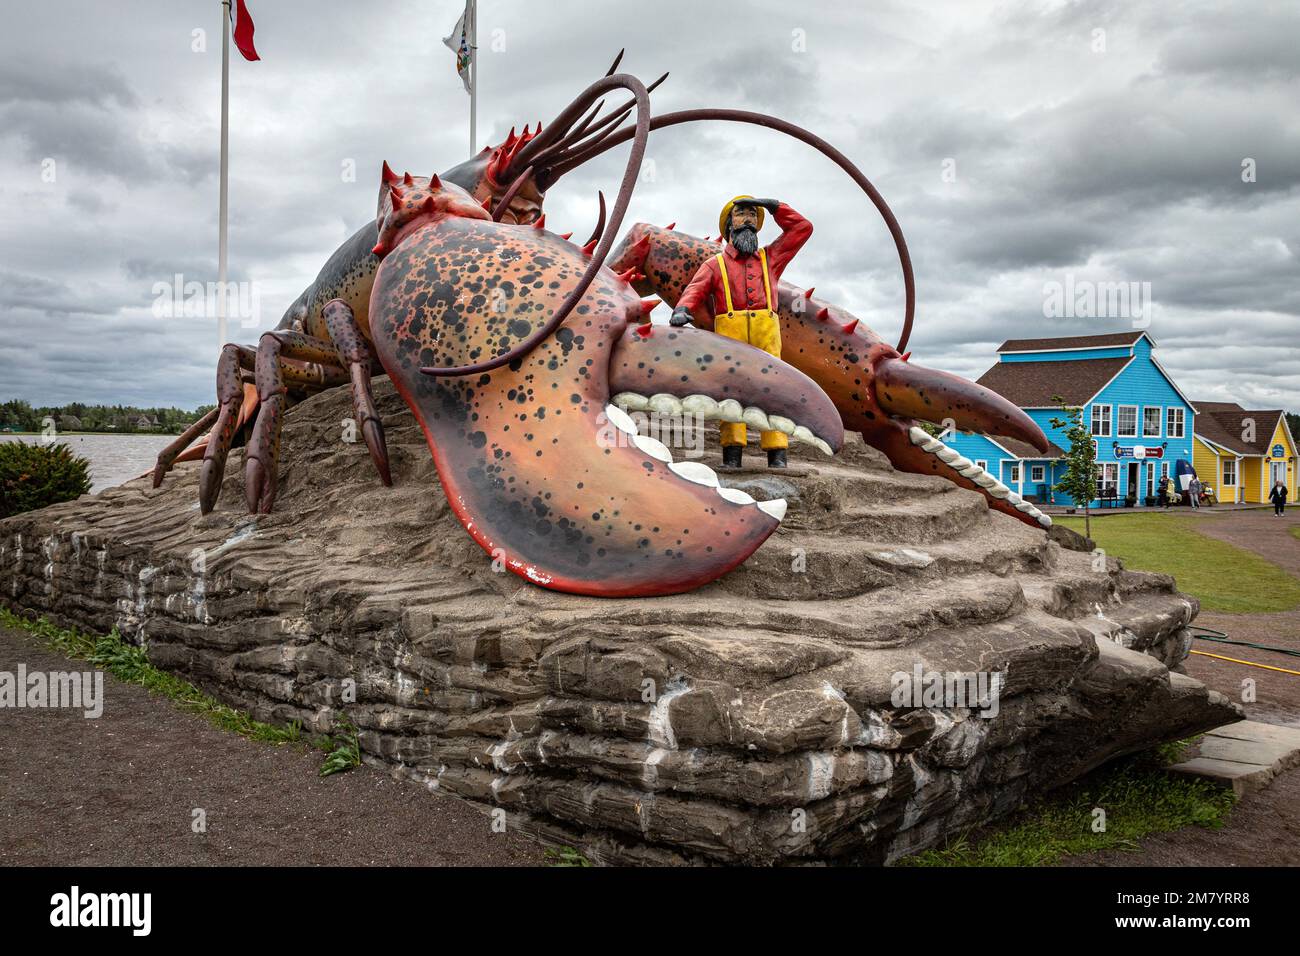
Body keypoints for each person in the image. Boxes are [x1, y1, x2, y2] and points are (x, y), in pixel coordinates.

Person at [671, 195, 813, 469]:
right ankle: (732, 454)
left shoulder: (771, 258)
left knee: (773, 392)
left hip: (766, 336)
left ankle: (777, 454)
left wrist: (776, 207)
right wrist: (682, 309)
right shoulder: (715, 265)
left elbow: (802, 228)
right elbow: (694, 290)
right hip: (730, 338)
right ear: (729, 224)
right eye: (741, 214)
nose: (748, 218)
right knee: (731, 394)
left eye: (752, 214)